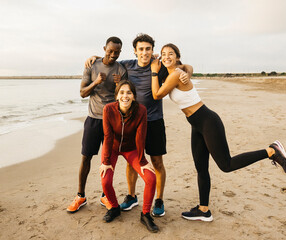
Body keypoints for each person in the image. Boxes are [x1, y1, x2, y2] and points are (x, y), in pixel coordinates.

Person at [150, 43, 286, 222]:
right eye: (163, 54)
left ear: (177, 57)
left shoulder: (177, 74)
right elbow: (188, 67)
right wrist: (170, 67)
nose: (166, 56)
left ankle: (271, 151)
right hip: (196, 124)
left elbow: (156, 95)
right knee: (201, 167)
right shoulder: (176, 72)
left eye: (171, 53)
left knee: (226, 165)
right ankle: (203, 210)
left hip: (208, 121)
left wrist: (155, 72)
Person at [86, 33, 193, 217]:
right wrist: (95, 58)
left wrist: (186, 71)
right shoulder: (127, 65)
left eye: (148, 49)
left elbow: (185, 66)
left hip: (154, 121)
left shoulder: (159, 66)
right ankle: (132, 195)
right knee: (132, 161)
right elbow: (110, 60)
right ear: (135, 51)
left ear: (153, 51)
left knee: (157, 162)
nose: (144, 52)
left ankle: (159, 200)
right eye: (141, 49)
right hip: (133, 123)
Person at [66, 37, 128, 213]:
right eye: (110, 51)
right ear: (104, 48)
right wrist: (96, 82)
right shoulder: (92, 66)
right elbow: (82, 93)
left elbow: (124, 97)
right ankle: (80, 196)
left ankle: (105, 196)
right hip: (93, 119)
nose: (113, 54)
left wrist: (118, 85)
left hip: (112, 121)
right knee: (86, 157)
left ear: (120, 52)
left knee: (107, 160)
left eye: (117, 52)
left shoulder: (121, 70)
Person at [100, 80, 158, 233]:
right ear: (117, 96)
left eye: (129, 93)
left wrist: (143, 160)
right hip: (112, 148)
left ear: (133, 96)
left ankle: (145, 214)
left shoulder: (141, 110)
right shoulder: (108, 109)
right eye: (122, 93)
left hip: (131, 149)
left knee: (151, 178)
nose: (125, 96)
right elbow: (107, 136)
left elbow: (141, 136)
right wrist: (106, 161)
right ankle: (114, 208)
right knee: (105, 180)